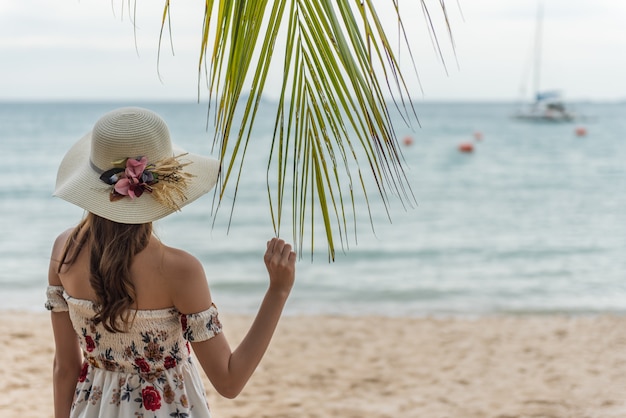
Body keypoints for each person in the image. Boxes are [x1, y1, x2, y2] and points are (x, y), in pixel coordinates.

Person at [46, 107, 296, 418]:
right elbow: (230, 381)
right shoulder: (180, 271)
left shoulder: (64, 251)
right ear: (163, 189)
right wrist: (278, 291)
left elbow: (65, 368)